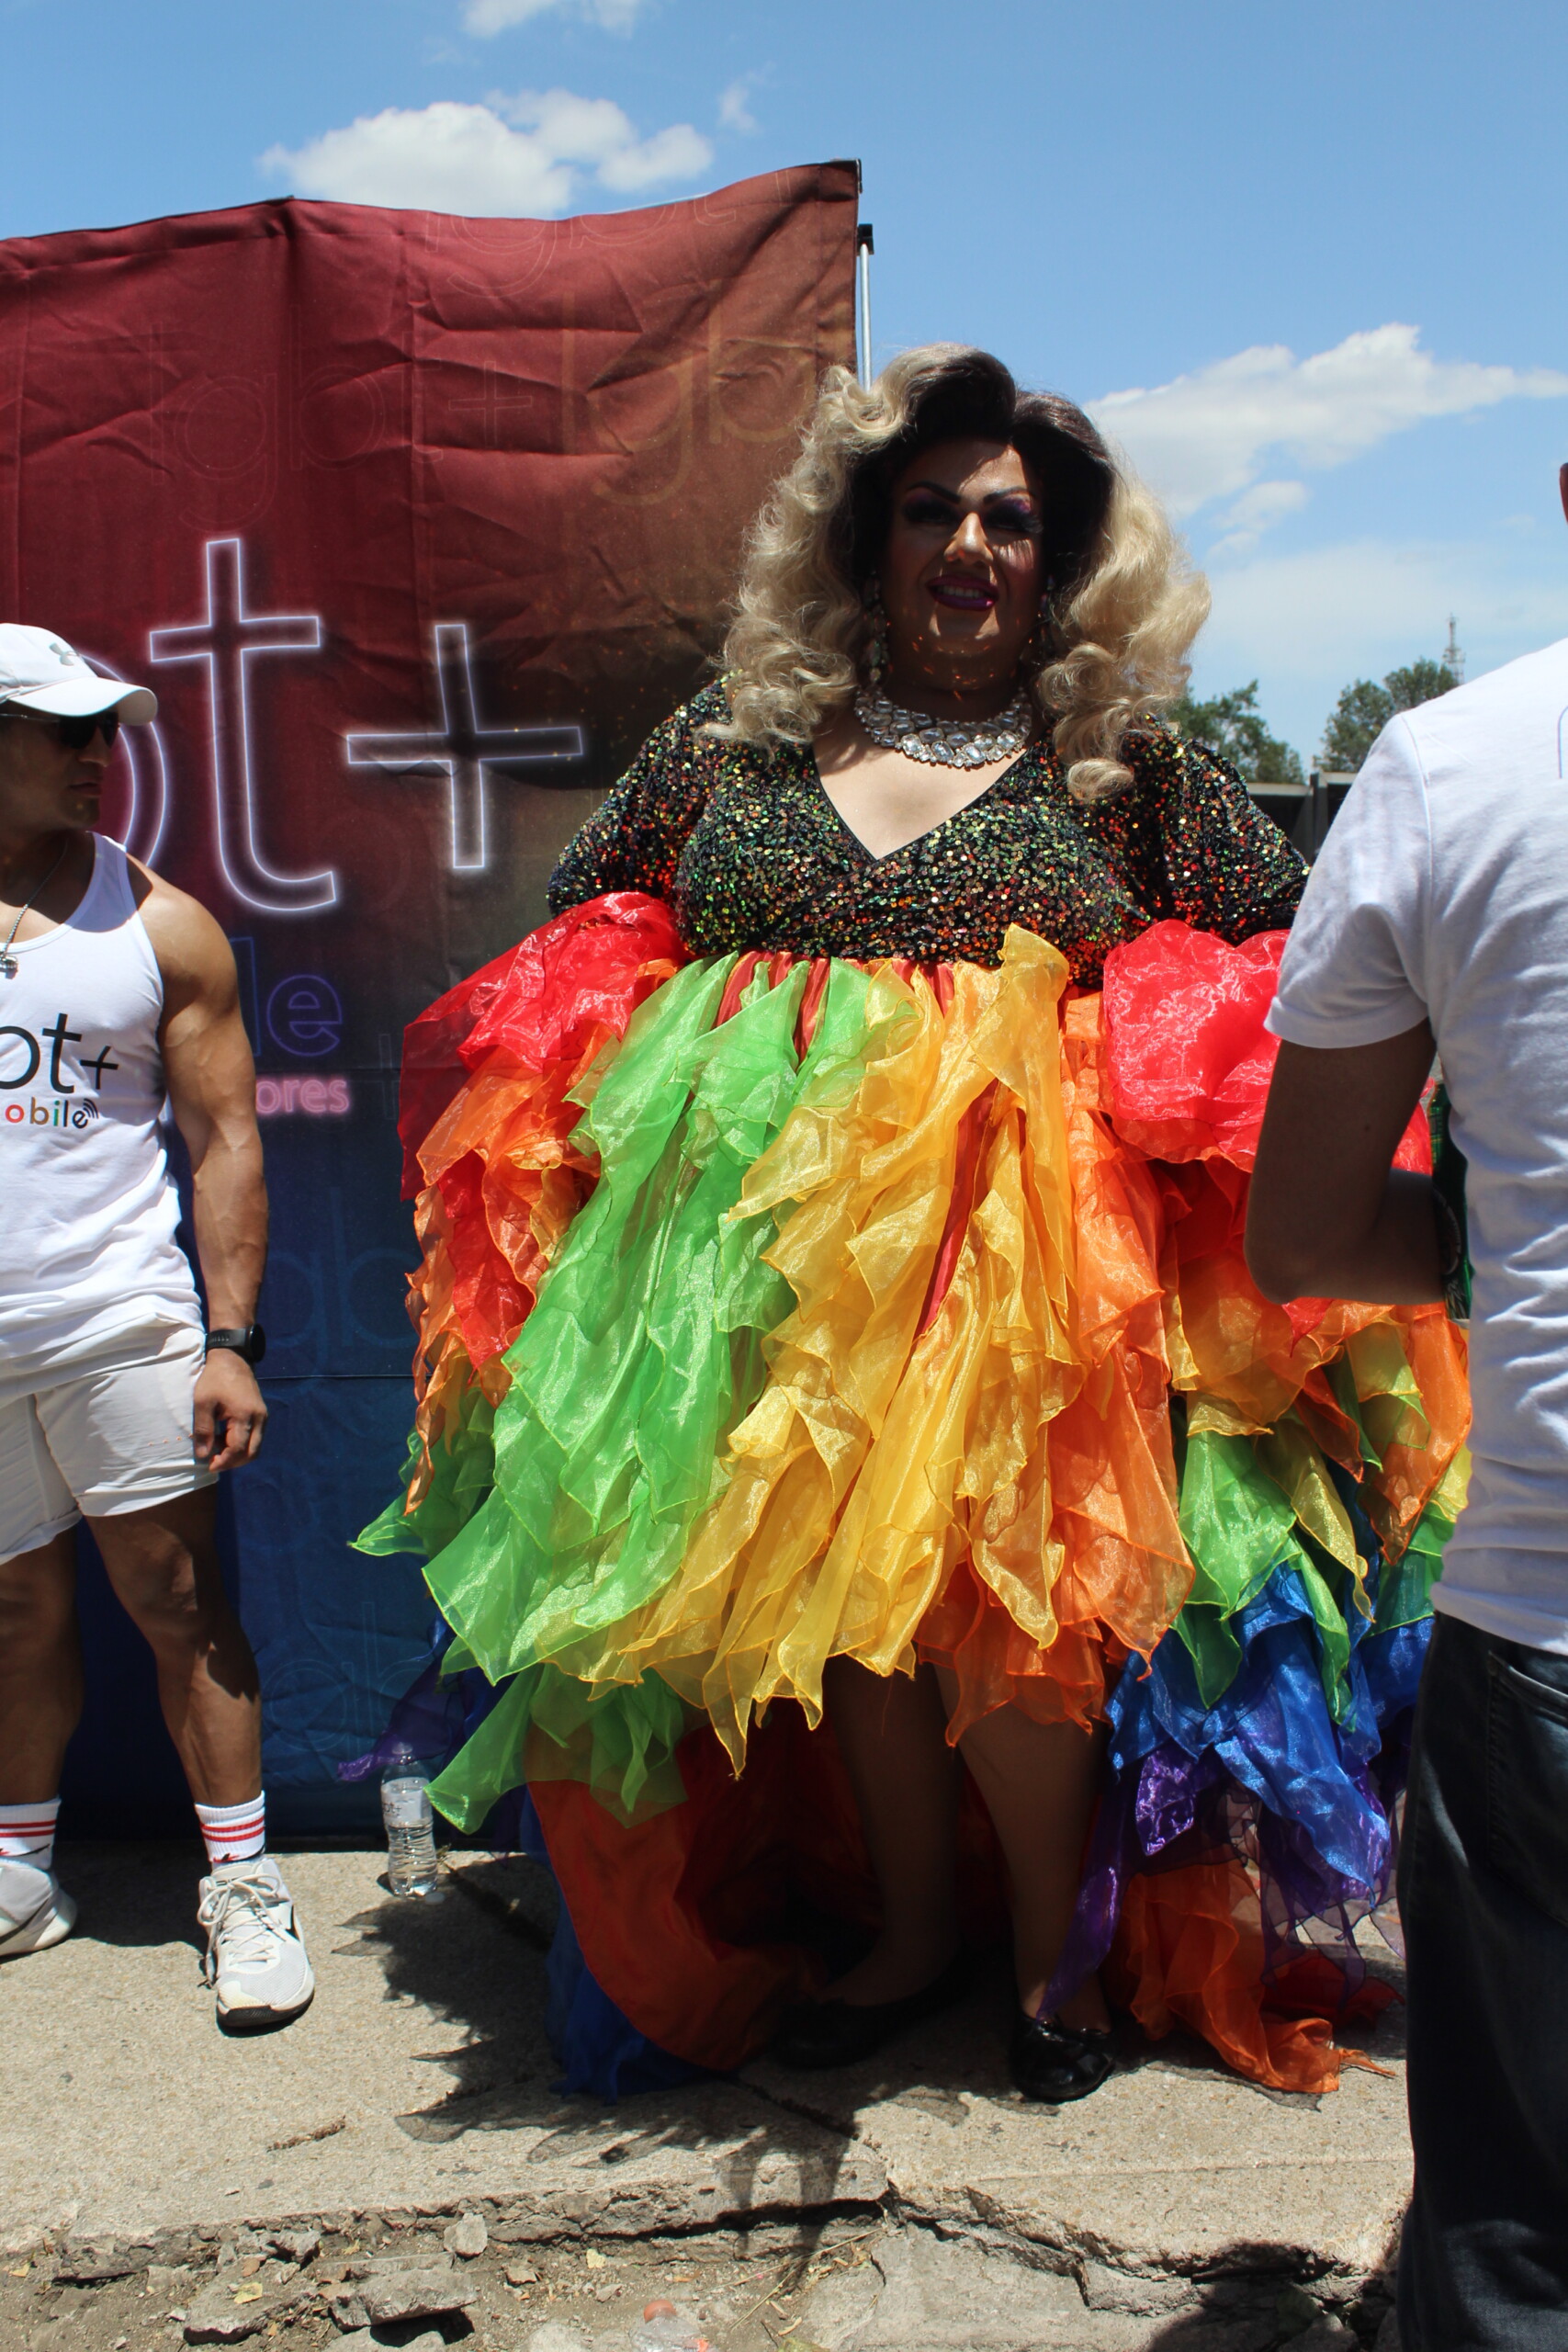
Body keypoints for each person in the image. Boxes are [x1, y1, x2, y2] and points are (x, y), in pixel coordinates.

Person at [363, 346, 1465, 2104]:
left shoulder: (1122, 763)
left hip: (1022, 1268)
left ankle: (1053, 1953)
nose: (970, 545)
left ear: (1063, 559)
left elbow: (1289, 970)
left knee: (1004, 1615)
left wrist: (1129, 1048)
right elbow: (583, 931)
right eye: (932, 509)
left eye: (1010, 520)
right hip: (770, 1248)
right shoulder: (734, 739)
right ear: (865, 538)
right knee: (843, 1606)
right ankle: (911, 1931)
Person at [1247, 532, 1568, 2346]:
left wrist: (1499, 1226)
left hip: (1543, 1639)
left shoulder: (1449, 765)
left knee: (1519, 2239)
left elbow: (1296, 1231)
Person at [0, 625, 312, 2032]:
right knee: (13, 1612)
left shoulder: (160, 924)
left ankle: (245, 1888)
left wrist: (227, 1335)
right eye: (62, 730)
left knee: (178, 1607)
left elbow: (227, 1134)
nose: (95, 755)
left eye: (106, 730)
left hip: (121, 1323)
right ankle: (20, 1870)